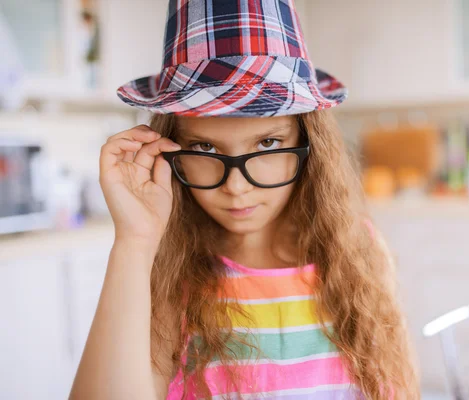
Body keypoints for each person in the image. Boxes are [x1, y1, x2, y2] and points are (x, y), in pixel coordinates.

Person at [69, 0, 419, 399]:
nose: (236, 187)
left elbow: (398, 387)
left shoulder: (358, 250)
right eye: (204, 147)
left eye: (268, 143)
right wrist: (133, 241)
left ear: (310, 143)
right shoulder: (169, 273)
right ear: (169, 147)